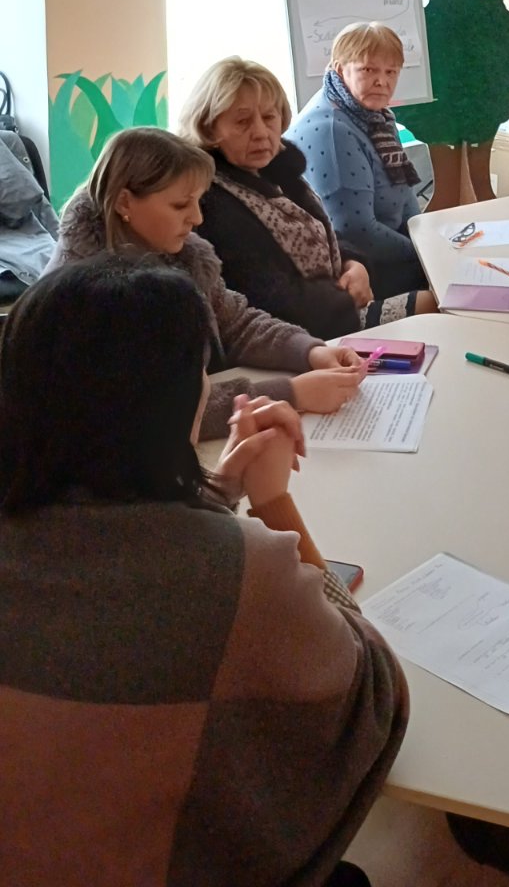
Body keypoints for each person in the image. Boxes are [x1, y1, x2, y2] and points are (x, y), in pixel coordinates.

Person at [0, 255, 407, 887]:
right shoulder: (243, 571)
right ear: (174, 404)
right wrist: (273, 504)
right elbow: (370, 684)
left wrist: (218, 490)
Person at [48, 127, 364, 438]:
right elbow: (152, 413)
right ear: (124, 203)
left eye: (198, 202)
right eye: (180, 205)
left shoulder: (183, 254)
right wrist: (290, 394)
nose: (197, 218)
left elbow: (237, 323)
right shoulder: (84, 299)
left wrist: (311, 352)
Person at [179, 56, 437, 340]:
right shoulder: (212, 201)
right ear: (209, 128)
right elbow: (272, 300)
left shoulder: (275, 171)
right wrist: (346, 299)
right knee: (435, 306)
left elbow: (323, 235)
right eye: (242, 121)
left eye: (269, 117)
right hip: (302, 334)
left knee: (441, 299)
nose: (261, 133)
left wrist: (355, 265)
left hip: (335, 304)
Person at [289, 23, 427, 298]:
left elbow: (404, 193)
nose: (382, 81)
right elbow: (356, 232)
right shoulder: (332, 130)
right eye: (368, 70)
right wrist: (424, 253)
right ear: (340, 70)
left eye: (391, 72)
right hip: (358, 271)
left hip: (390, 252)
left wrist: (427, 239)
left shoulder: (377, 116)